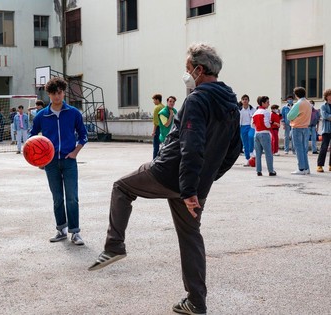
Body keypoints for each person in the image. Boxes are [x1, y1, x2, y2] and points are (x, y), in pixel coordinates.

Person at [88, 43, 241, 315]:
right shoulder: (231, 103)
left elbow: (191, 145)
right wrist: (206, 179)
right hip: (193, 184)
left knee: (122, 187)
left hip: (170, 174)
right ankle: (196, 301)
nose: (187, 74)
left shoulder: (197, 99)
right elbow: (234, 149)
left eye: (188, 69)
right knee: (190, 236)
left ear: (200, 69)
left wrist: (190, 188)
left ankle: (114, 246)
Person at [30, 77, 88, 246]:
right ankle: (61, 229)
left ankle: (75, 232)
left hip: (69, 161)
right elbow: (32, 138)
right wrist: (38, 160)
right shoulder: (42, 115)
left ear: (64, 93)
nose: (57, 96)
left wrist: (76, 152)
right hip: (51, 163)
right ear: (48, 94)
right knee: (57, 198)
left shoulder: (74, 113)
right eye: (54, 93)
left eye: (60, 93)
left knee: (72, 197)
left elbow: (83, 135)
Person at [287, 87, 312, 175]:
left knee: (298, 149)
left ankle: (301, 168)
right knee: (304, 149)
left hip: (297, 127)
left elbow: (289, 116)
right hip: (306, 127)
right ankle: (306, 168)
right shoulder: (308, 103)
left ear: (296, 95)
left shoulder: (298, 104)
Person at [252, 96, 276, 176]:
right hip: (264, 133)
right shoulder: (265, 112)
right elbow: (267, 124)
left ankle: (258, 171)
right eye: (267, 102)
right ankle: (271, 170)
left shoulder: (255, 112)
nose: (269, 104)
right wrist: (272, 124)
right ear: (263, 103)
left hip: (256, 134)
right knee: (268, 153)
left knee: (258, 154)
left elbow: (252, 125)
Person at [316, 88, 331, 172]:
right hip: (326, 130)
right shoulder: (323, 106)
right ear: (326, 96)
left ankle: (330, 165)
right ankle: (320, 165)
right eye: (329, 95)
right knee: (324, 147)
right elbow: (325, 116)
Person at [239, 94, 255, 166]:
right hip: (242, 127)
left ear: (248, 101)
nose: (245, 101)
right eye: (244, 99)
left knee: (251, 136)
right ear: (242, 101)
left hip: (251, 126)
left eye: (246, 99)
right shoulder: (239, 110)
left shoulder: (252, 109)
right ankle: (247, 158)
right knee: (245, 143)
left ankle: (252, 152)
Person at [151, 94, 165, 159]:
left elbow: (156, 121)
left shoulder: (157, 108)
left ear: (157, 100)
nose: (153, 102)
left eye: (154, 100)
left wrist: (153, 131)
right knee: (164, 144)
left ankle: (155, 159)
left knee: (156, 145)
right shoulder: (164, 107)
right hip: (164, 128)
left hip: (158, 128)